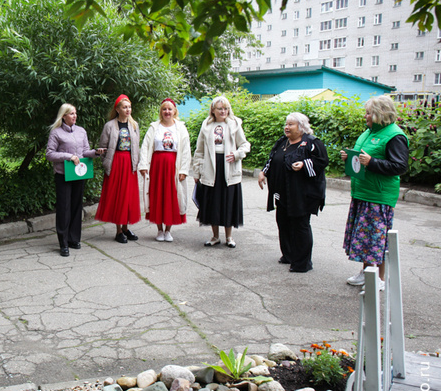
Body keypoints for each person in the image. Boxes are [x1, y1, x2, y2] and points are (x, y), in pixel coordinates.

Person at [341, 95, 409, 286]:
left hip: (378, 197)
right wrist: (350, 158)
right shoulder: (368, 133)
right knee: (365, 238)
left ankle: (378, 278)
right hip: (362, 193)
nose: (366, 116)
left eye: (369, 113)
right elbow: (362, 159)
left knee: (376, 240)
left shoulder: (395, 135)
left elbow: (399, 166)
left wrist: (372, 162)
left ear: (380, 113)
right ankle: (366, 272)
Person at [258, 112, 328, 273]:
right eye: (286, 124)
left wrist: (304, 164)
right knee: (283, 222)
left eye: (291, 124)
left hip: (302, 194)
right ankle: (289, 255)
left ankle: (302, 263)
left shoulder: (312, 143)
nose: (286, 127)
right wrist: (264, 172)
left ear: (301, 127)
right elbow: (272, 159)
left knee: (300, 225)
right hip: (283, 192)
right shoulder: (283, 142)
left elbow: (322, 162)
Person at [190, 96, 250, 248]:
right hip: (211, 167)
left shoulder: (234, 124)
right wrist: (196, 173)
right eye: (220, 109)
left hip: (229, 167)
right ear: (213, 110)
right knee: (212, 203)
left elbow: (244, 145)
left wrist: (237, 154)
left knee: (228, 202)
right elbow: (199, 150)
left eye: (225, 108)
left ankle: (229, 237)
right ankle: (215, 236)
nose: (223, 111)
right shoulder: (207, 126)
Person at [46, 103, 99, 256]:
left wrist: (96, 152)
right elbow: (49, 154)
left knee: (76, 206)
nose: (74, 116)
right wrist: (68, 156)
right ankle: (63, 243)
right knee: (64, 208)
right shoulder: (56, 133)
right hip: (63, 175)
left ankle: (74, 239)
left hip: (79, 174)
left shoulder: (81, 131)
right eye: (71, 114)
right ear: (63, 116)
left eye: (75, 113)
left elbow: (85, 151)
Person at [139, 98, 191, 242]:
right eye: (164, 109)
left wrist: (184, 170)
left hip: (173, 167)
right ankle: (159, 230)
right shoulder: (154, 127)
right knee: (157, 196)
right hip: (156, 167)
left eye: (170, 109)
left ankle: (168, 230)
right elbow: (145, 147)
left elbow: (186, 150)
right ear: (161, 111)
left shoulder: (180, 128)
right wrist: (143, 165)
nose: (167, 112)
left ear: (174, 111)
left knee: (171, 196)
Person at [95, 94, 141, 243]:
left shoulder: (134, 125)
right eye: (124, 107)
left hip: (129, 164)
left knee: (128, 196)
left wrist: (136, 162)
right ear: (117, 109)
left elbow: (137, 146)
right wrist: (107, 163)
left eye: (129, 107)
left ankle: (126, 228)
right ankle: (118, 231)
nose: (127, 109)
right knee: (118, 196)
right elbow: (103, 147)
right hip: (116, 163)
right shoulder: (109, 126)